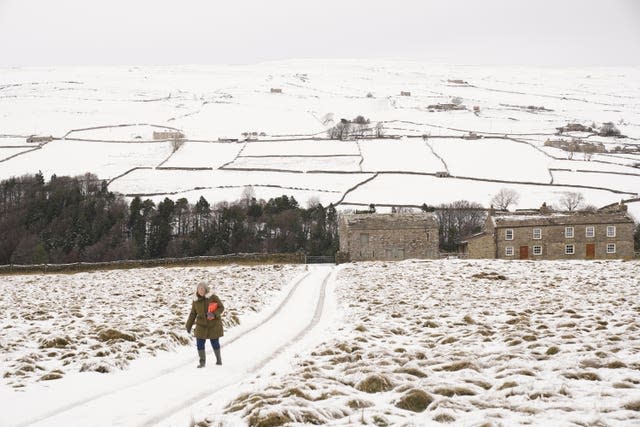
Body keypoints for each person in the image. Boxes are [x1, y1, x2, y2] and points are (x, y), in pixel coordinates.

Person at [185, 282, 224, 368]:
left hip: (213, 324)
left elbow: (221, 307)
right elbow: (193, 314)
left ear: (206, 289)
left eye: (202, 289)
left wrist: (214, 314)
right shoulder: (195, 300)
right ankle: (202, 363)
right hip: (201, 325)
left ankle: (218, 360)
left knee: (214, 342)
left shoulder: (213, 297)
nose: (201, 291)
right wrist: (188, 325)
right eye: (199, 289)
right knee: (199, 343)